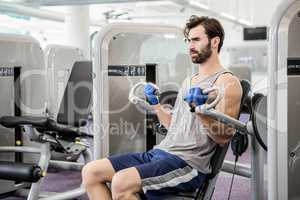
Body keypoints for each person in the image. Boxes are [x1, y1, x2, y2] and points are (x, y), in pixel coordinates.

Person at [81, 15, 242, 200]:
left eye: (196, 40)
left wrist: (200, 110)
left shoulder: (227, 82)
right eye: (188, 40)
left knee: (121, 183)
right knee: (91, 172)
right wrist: (156, 104)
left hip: (188, 164)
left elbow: (224, 136)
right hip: (161, 153)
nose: (190, 46)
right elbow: (174, 127)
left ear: (215, 42)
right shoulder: (189, 81)